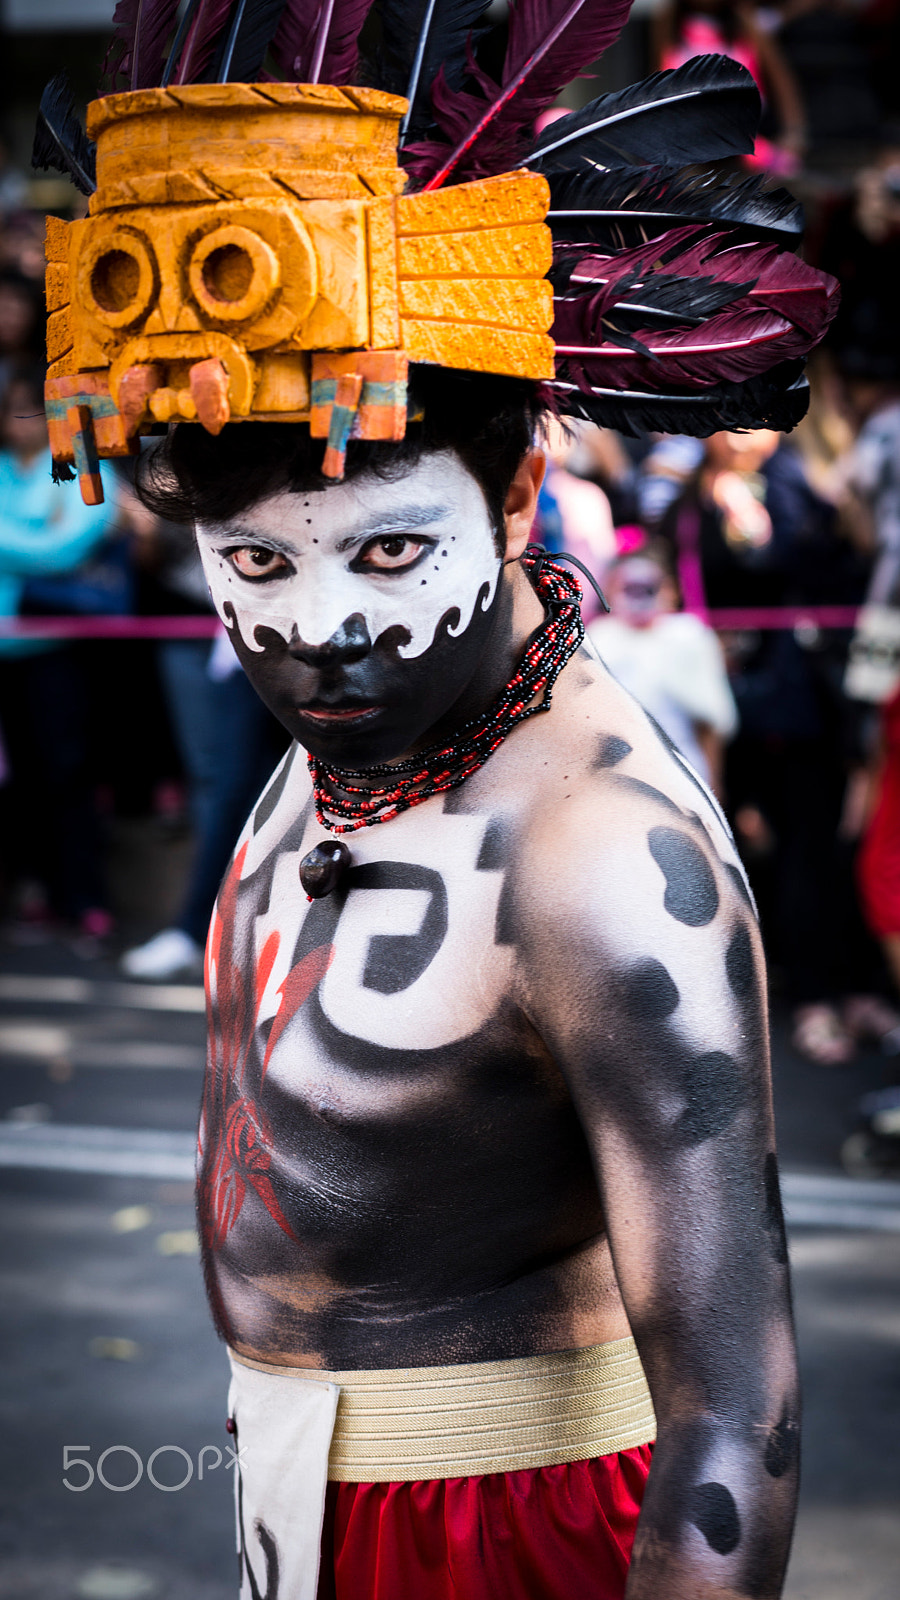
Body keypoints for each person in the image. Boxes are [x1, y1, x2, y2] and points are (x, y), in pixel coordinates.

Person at [40, 3, 837, 1593]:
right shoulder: (367, 713)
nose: (320, 626)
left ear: (521, 488)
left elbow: (736, 1416)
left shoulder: (602, 852)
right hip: (302, 1494)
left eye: (392, 551)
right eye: (254, 561)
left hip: (518, 1533)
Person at [0, 364, 114, 929]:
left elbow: (73, 543)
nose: (27, 421)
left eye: (38, 410)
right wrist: (37, 534)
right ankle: (41, 892)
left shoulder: (79, 464)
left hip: (61, 646)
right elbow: (55, 543)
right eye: (18, 408)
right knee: (18, 780)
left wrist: (15, 541)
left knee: (68, 772)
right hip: (8, 649)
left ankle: (85, 898)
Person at [589, 539, 738, 793]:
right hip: (617, 777)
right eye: (629, 588)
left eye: (647, 588)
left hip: (684, 773)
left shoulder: (688, 636)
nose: (638, 598)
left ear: (669, 589)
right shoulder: (598, 639)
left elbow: (712, 720)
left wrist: (714, 782)